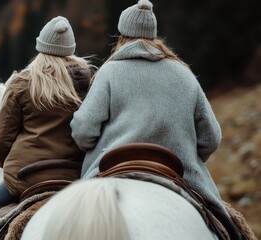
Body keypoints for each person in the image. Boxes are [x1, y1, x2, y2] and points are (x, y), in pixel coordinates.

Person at [70, 0, 238, 237]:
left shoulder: (108, 72)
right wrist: (184, 150)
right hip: (181, 175)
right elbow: (211, 138)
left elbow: (82, 133)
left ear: (122, 35)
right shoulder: (184, 74)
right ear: (154, 35)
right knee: (232, 229)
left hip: (108, 170)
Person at [0, 16, 92, 240]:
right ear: (70, 50)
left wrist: (8, 165)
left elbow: (2, 139)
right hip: (74, 176)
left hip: (25, 177)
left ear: (41, 48)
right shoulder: (85, 84)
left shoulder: (21, 83)